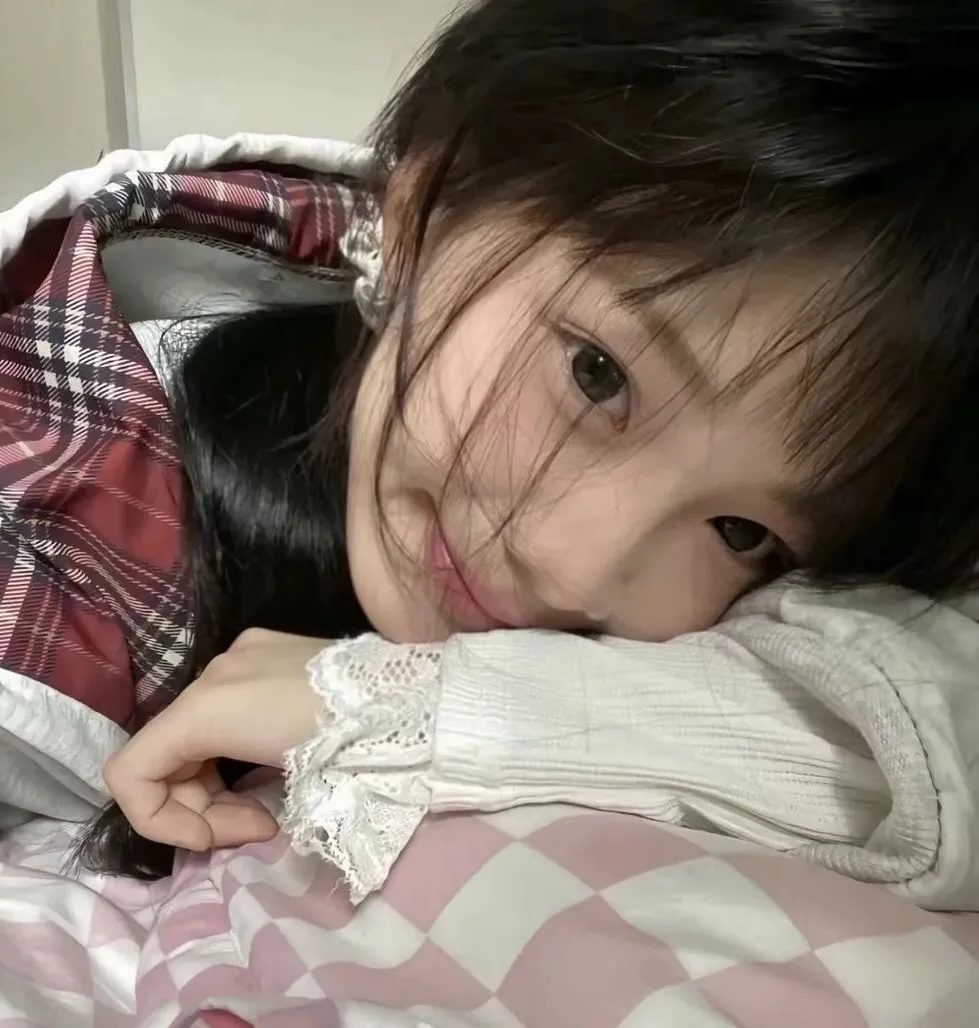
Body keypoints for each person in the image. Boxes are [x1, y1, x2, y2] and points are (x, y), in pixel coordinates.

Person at [81, 0, 979, 903]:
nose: (573, 574)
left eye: (743, 532)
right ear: (421, 211)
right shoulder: (61, 483)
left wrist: (428, 705)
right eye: (596, 375)